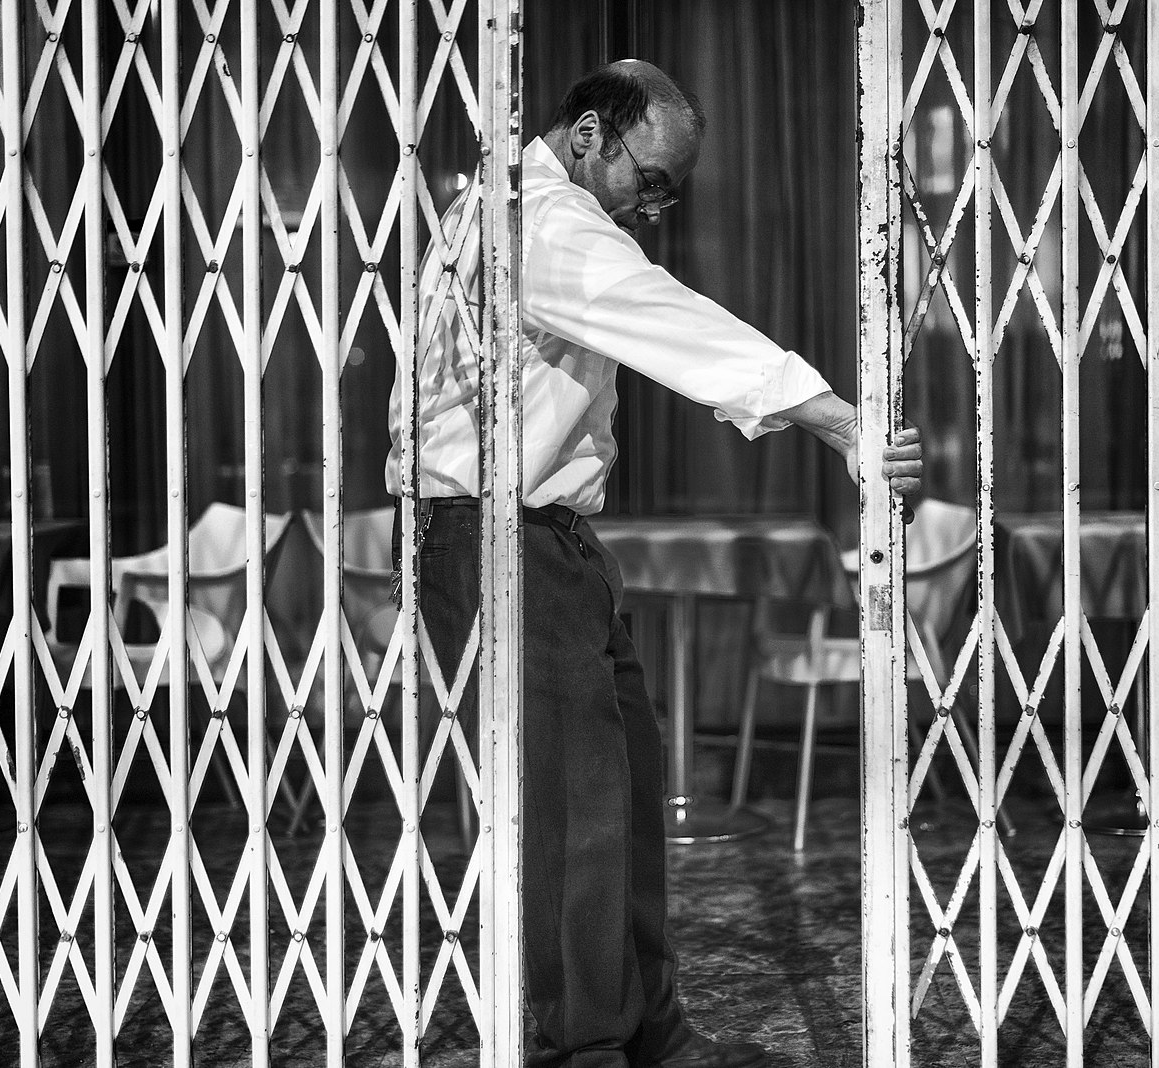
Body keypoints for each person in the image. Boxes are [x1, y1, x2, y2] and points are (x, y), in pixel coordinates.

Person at [386, 60, 923, 1068]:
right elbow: (676, 323)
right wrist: (842, 422)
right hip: (499, 536)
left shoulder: (506, 214)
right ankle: (587, 1045)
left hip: (536, 537)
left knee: (623, 777)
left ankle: (640, 1026)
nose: (658, 205)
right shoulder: (539, 222)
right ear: (589, 132)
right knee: (574, 807)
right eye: (653, 176)